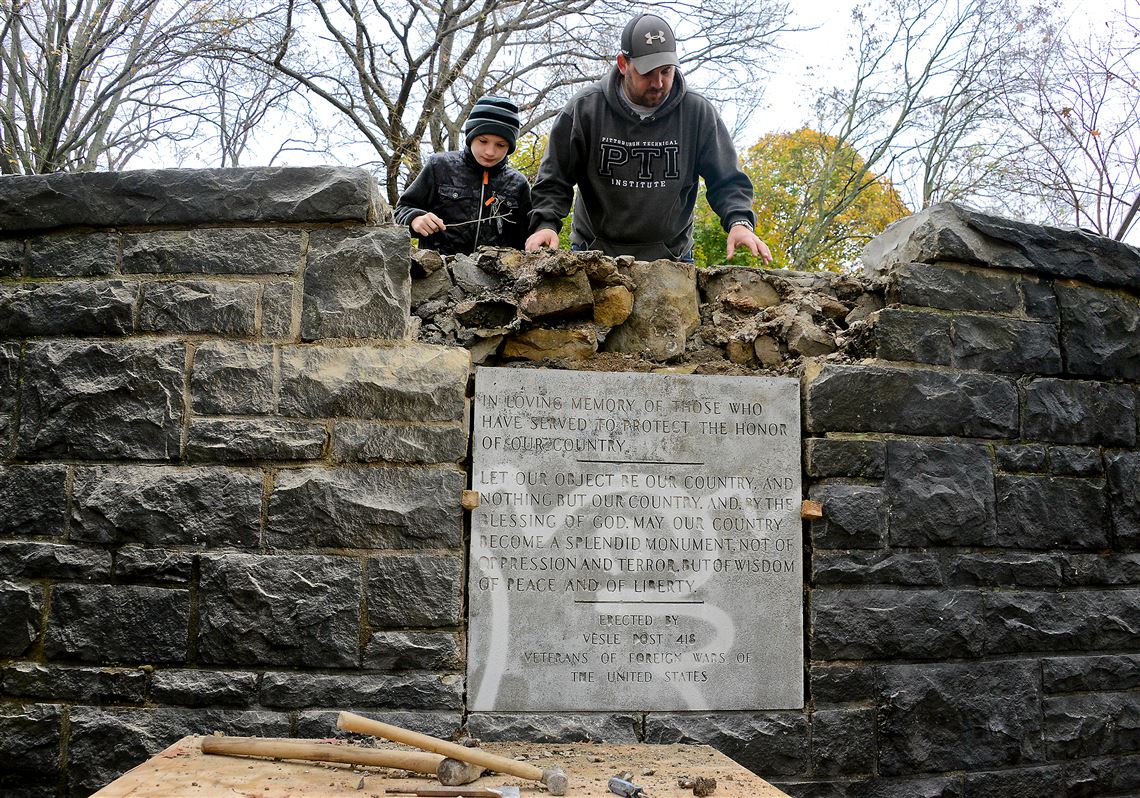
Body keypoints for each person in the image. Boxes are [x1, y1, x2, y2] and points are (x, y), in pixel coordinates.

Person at [524, 13, 771, 264]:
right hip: (595, 255)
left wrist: (739, 222)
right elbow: (555, 176)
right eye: (647, 73)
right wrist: (546, 224)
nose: (658, 82)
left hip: (671, 257)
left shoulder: (697, 113)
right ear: (623, 64)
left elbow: (726, 178)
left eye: (666, 71)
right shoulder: (585, 109)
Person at [395, 95, 532, 255]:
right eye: (483, 141)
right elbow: (402, 209)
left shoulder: (518, 183)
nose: (490, 151)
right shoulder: (439, 166)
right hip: (438, 273)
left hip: (495, 277)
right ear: (471, 137)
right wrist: (415, 218)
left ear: (510, 147)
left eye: (500, 145)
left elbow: (528, 238)